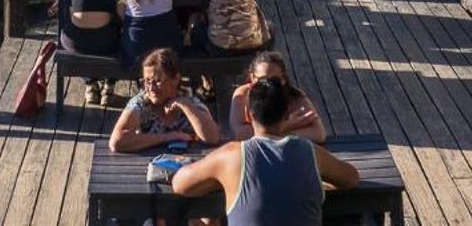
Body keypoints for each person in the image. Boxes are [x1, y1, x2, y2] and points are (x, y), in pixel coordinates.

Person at [171, 76, 358, 225]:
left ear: (248, 115)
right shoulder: (310, 152)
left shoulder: (231, 156)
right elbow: (351, 178)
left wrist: (220, 180)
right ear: (287, 114)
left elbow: (180, 184)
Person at [107, 48, 221, 153]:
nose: (151, 88)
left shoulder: (190, 101)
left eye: (157, 81)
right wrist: (168, 137)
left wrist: (186, 106)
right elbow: (117, 142)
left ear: (175, 80)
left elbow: (213, 138)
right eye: (147, 81)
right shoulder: (141, 102)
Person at [226, 52, 327, 143]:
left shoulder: (295, 96)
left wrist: (276, 132)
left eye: (274, 79)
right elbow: (239, 134)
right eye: (263, 79)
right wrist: (286, 125)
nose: (269, 84)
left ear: (283, 79)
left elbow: (319, 134)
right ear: (252, 78)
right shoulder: (243, 94)